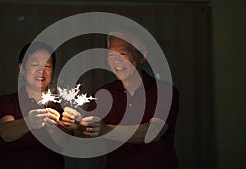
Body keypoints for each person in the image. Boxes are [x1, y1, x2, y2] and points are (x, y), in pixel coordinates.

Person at [62, 27, 179, 169]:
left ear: (142, 56)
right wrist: (77, 125)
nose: (116, 61)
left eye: (123, 53)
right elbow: (88, 134)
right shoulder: (104, 93)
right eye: (111, 55)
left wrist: (107, 130)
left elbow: (153, 132)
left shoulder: (164, 91)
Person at [0, 41, 65, 169]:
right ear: (22, 69)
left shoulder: (60, 105)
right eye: (35, 64)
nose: (41, 71)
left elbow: (65, 142)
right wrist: (30, 122)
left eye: (47, 66)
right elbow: (5, 132)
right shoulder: (8, 102)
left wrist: (55, 128)